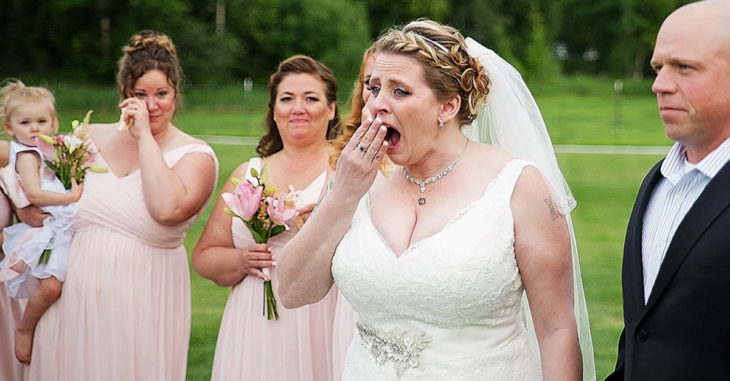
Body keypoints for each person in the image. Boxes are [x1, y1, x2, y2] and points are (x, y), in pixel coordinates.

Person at [278, 19, 595, 380]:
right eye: (373, 87)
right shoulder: (357, 182)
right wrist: (344, 193)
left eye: (400, 91)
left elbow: (557, 331)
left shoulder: (518, 187)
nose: (376, 104)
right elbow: (292, 290)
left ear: (447, 107)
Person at [24, 30, 218, 381]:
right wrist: (29, 209)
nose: (152, 105)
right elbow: (26, 159)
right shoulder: (88, 138)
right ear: (124, 95)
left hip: (144, 301)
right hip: (71, 301)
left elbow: (167, 209)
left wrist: (144, 136)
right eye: (139, 95)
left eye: (162, 94)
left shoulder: (196, 155)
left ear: (176, 92)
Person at [193, 54, 341, 381]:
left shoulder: (347, 171)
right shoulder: (247, 174)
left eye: (311, 98)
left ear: (331, 109)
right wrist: (242, 260)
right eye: (286, 99)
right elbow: (204, 256)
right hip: (256, 319)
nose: (297, 108)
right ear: (274, 111)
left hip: (323, 314)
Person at [607, 1, 730, 379]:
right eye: (658, 67)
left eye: (684, 68)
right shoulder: (657, 182)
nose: (659, 85)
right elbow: (644, 332)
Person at [0, 80, 83, 366]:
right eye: (25, 122)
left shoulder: (50, 151)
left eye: (41, 121)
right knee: (51, 287)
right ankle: (25, 328)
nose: (34, 128)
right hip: (53, 225)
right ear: (10, 129)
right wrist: (72, 196)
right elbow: (35, 193)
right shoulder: (25, 155)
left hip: (64, 223)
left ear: (53, 123)